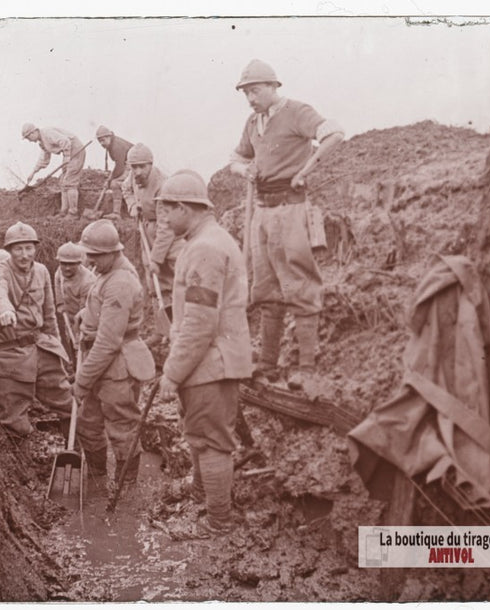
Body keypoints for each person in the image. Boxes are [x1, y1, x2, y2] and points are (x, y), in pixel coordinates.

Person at [228, 59, 344, 390]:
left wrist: (305, 171)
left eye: (256, 90)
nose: (251, 98)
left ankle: (306, 368)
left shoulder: (297, 112)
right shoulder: (253, 123)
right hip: (262, 213)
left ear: (273, 87)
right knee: (266, 289)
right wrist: (243, 170)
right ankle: (267, 365)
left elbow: (334, 133)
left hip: (291, 210)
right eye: (246, 92)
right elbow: (236, 158)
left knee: (300, 286)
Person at [157, 170, 254, 534]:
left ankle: (218, 524)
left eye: (167, 211)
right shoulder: (207, 241)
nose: (164, 220)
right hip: (212, 361)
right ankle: (202, 494)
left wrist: (172, 373)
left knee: (212, 442)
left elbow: (199, 323)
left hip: (210, 362)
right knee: (199, 433)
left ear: (184, 207)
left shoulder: (204, 249)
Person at [72, 220, 156, 489]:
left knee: (122, 427)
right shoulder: (109, 272)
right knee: (87, 423)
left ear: (112, 252)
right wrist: (86, 315)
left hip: (117, 364)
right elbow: (103, 308)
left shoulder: (121, 281)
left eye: (95, 256)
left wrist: (82, 381)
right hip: (102, 362)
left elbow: (109, 342)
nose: (90, 262)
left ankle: (126, 488)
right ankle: (97, 480)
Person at [0, 222, 70, 436]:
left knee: (68, 404)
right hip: (9, 354)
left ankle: (78, 453)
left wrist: (57, 349)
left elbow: (49, 314)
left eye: (29, 248)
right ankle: (22, 464)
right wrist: (4, 310)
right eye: (18, 249)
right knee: (14, 421)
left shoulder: (41, 271)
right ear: (9, 250)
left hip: (41, 347)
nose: (24, 254)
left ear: (35, 248)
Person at [121, 143, 179, 314]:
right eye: (134, 167)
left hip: (170, 234)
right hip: (146, 228)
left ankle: (178, 324)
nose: (137, 171)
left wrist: (157, 258)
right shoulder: (133, 177)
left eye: (142, 167)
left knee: (172, 277)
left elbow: (166, 228)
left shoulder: (163, 185)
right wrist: (132, 205)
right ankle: (162, 329)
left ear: (151, 164)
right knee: (152, 280)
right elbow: (125, 189)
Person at [21, 124, 87, 217]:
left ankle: (73, 213)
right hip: (68, 153)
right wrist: (33, 172)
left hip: (76, 150)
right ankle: (63, 212)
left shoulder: (47, 133)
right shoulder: (42, 142)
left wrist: (67, 156)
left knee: (70, 182)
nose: (29, 141)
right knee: (63, 182)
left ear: (33, 132)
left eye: (28, 138)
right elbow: (44, 159)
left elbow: (65, 141)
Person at [94, 126, 133, 219]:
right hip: (128, 164)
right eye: (99, 141)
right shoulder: (112, 143)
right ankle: (116, 213)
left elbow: (120, 167)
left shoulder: (116, 146)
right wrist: (110, 178)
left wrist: (110, 180)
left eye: (103, 140)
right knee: (114, 182)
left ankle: (117, 213)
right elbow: (118, 165)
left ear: (109, 137)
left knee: (114, 183)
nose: (101, 143)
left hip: (134, 165)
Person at [53, 242, 96, 320]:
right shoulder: (60, 270)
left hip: (86, 317)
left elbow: (85, 310)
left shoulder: (87, 281)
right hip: (68, 312)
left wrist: (77, 323)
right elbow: (57, 281)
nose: (67, 268)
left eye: (71, 264)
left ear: (79, 263)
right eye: (64, 264)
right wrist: (60, 303)